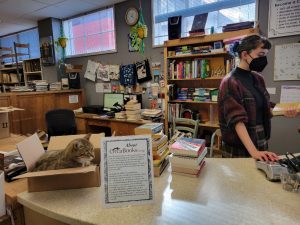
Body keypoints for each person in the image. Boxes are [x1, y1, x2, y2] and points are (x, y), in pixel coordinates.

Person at [217, 34, 298, 162]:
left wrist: (285, 111)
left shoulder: (258, 78)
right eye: (260, 55)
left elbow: (264, 107)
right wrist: (254, 151)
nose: (264, 59)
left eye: (265, 55)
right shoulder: (229, 82)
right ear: (244, 55)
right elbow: (237, 120)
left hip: (260, 138)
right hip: (240, 143)